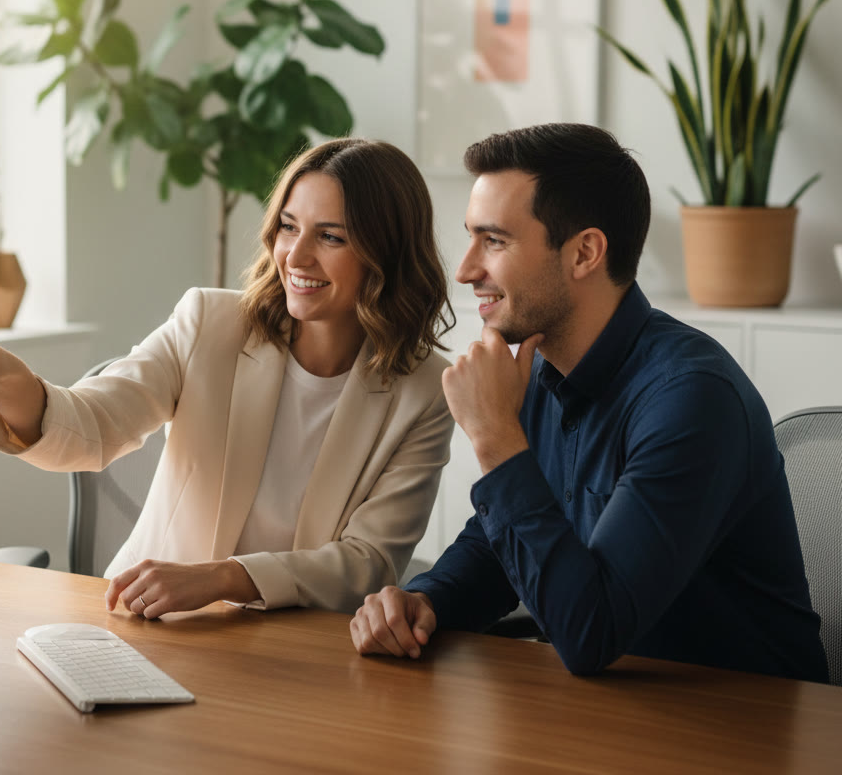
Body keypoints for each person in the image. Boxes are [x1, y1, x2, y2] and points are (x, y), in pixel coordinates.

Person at [0, 138, 455, 618]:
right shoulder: (209, 324)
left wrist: (223, 578)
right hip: (154, 625)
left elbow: (368, 563)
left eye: (331, 236)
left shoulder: (425, 390)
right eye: (288, 227)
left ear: (386, 254)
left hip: (299, 653)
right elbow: (95, 423)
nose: (296, 255)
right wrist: (7, 376)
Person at [350, 123, 829, 683]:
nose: (466, 269)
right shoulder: (539, 370)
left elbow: (590, 633)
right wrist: (426, 601)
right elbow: (498, 546)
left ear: (584, 253)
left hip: (749, 733)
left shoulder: (692, 400)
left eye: (495, 241)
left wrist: (494, 437)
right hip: (615, 718)